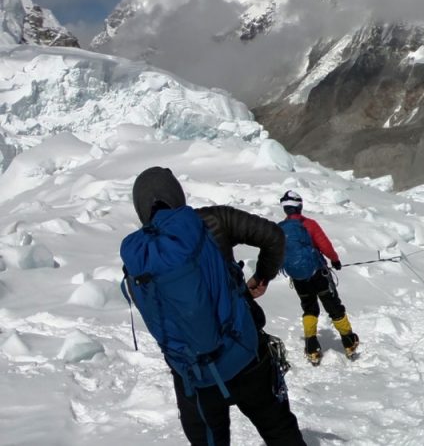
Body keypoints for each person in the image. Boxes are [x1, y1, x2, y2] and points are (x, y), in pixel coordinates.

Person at [121, 166, 305, 446]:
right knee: (279, 430)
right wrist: (262, 277)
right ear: (177, 195)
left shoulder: (139, 258)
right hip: (247, 356)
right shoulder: (213, 220)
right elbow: (273, 236)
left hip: (194, 378)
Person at [278, 190, 359, 365]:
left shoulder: (280, 229)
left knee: (309, 309)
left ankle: (312, 348)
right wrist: (335, 260)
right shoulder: (309, 224)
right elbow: (325, 246)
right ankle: (349, 342)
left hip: (299, 278)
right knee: (333, 306)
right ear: (299, 206)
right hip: (318, 274)